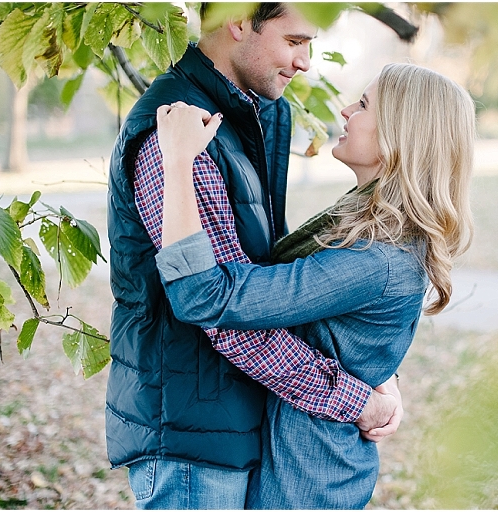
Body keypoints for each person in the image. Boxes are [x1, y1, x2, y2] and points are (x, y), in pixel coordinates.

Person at [105, 3, 400, 509]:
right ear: (238, 19)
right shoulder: (178, 132)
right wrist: (357, 400)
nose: (305, 61)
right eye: (294, 42)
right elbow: (220, 306)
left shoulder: (259, 115)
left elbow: (279, 284)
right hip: (192, 438)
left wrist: (381, 368)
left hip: (242, 417)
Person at [154, 63, 476, 508]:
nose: (345, 111)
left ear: (399, 136)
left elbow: (209, 296)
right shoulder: (369, 228)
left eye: (363, 105)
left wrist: (176, 161)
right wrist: (380, 379)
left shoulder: (377, 258)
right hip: (305, 462)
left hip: (306, 479)